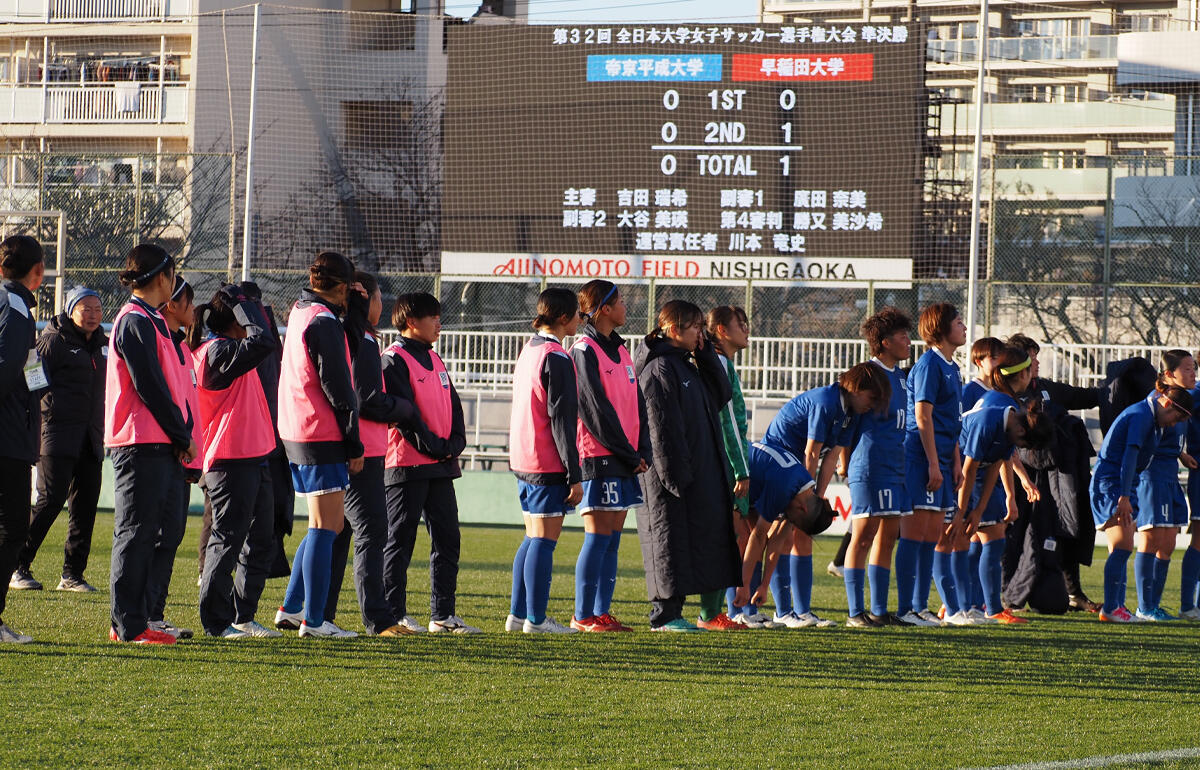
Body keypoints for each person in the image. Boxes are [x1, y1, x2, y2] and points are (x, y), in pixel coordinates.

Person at [104, 244, 196, 645]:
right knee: (135, 532)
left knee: (151, 533)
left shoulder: (152, 320)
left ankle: (138, 620)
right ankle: (127, 626)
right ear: (163, 277)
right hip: (139, 442)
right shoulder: (134, 320)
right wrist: (183, 435)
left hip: (157, 442)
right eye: (173, 273)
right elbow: (151, 388)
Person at [753, 363, 890, 628]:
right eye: (872, 398)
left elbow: (832, 458)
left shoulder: (853, 412)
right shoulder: (826, 402)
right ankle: (782, 611)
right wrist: (807, 496)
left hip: (797, 469)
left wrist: (818, 496)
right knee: (783, 535)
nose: (873, 406)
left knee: (801, 536)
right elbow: (811, 453)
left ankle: (802, 612)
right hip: (780, 463)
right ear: (857, 389)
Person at [274, 251, 365, 639]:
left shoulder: (301, 309)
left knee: (319, 523)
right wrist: (353, 439)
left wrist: (352, 312)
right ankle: (314, 620)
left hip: (296, 428)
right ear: (342, 287)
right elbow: (339, 385)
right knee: (328, 524)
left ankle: (293, 609)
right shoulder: (324, 321)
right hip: (319, 430)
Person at [634, 300, 740, 632]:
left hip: (698, 469)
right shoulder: (660, 369)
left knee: (706, 538)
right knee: (668, 540)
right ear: (674, 330)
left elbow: (721, 394)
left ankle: (707, 614)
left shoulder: (687, 363)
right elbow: (661, 428)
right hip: (671, 476)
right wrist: (674, 476)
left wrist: (706, 353)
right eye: (695, 327)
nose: (701, 333)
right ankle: (665, 616)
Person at [188, 283, 282, 638]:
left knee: (260, 542)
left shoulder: (231, 350)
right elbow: (263, 341)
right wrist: (245, 306)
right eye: (251, 312)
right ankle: (216, 621)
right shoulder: (217, 352)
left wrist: (249, 307)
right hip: (230, 460)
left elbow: (265, 344)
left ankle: (242, 615)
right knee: (227, 542)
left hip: (254, 456)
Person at [382, 291, 475, 634]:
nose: (439, 322)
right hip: (407, 465)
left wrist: (456, 443)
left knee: (448, 539)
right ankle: (395, 613)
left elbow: (454, 407)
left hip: (440, 465)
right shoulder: (393, 359)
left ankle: (443, 615)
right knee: (400, 541)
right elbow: (406, 417)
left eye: (439, 315)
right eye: (431, 317)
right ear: (410, 322)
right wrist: (437, 447)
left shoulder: (435, 359)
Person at [11, 286, 106, 594]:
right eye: (85, 308)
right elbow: (31, 373)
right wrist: (48, 409)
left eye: (97, 309)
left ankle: (72, 574)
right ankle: (17, 566)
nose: (92, 315)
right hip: (56, 435)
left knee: (85, 507)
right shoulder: (54, 340)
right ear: (70, 310)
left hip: (90, 438)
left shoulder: (103, 345)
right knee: (50, 501)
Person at [569, 281, 650, 632]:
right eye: (619, 302)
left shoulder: (622, 350)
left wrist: (642, 449)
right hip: (600, 456)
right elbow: (593, 410)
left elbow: (638, 403)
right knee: (598, 534)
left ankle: (601, 612)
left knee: (613, 537)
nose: (625, 307)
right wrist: (627, 451)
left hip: (626, 456)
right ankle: (583, 615)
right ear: (603, 309)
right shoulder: (584, 350)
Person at [1005, 333, 1102, 613]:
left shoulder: (1045, 388)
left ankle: (1073, 593)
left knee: (1067, 527)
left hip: (1059, 478)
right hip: (1023, 479)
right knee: (1019, 537)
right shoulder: (1007, 397)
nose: (1037, 362)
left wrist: (1111, 390)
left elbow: (1080, 396)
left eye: (1036, 356)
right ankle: (1008, 594)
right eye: (1031, 358)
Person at [506, 288, 582, 634]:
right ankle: (535, 620)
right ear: (564, 318)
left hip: (523, 457)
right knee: (544, 540)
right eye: (578, 314)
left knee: (532, 536)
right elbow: (562, 419)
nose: (582, 320)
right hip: (546, 459)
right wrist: (574, 472)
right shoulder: (557, 356)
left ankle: (519, 615)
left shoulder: (529, 349)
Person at [1091, 386, 1193, 622]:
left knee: (1124, 546)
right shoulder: (1141, 416)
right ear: (1167, 404)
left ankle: (1115, 607)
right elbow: (1129, 458)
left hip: (1124, 484)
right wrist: (1124, 496)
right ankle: (1110, 609)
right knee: (1123, 546)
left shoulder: (1153, 418)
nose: (1172, 425)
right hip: (1113, 484)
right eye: (1175, 418)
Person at [138, 274, 202, 641]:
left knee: (172, 534)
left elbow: (187, 405)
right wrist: (180, 439)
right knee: (154, 535)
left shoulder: (180, 346)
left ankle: (155, 613)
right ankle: (141, 615)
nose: (193, 309)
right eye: (189, 302)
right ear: (174, 305)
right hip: (161, 449)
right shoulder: (156, 336)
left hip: (181, 453)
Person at [956, 397, 1055, 622]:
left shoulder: (1011, 425)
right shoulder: (988, 422)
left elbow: (996, 465)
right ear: (1021, 429)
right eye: (1023, 444)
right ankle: (964, 607)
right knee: (965, 539)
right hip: (957, 472)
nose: (1020, 448)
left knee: (984, 539)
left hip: (978, 476)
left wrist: (988, 505)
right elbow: (968, 469)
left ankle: (978, 606)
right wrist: (963, 511)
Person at [844, 307, 913, 628]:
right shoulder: (866, 374)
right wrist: (844, 462)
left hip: (895, 465)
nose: (909, 341)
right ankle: (855, 612)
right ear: (884, 342)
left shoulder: (900, 376)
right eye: (902, 336)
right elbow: (848, 419)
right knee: (862, 536)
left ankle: (879, 610)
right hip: (869, 464)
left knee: (888, 537)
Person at [898, 303, 966, 627]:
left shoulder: (953, 368)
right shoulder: (928, 365)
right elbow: (922, 416)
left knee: (932, 535)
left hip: (941, 458)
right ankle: (904, 608)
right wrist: (932, 464)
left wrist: (955, 462)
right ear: (941, 329)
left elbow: (950, 420)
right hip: (921, 457)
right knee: (915, 533)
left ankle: (920, 606)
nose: (964, 326)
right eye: (958, 321)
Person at [707, 306, 770, 628]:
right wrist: (740, 468)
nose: (747, 329)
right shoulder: (717, 363)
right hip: (727, 463)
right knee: (734, 537)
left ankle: (739, 609)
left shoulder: (724, 362)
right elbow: (728, 421)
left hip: (728, 458)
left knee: (744, 535)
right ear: (720, 329)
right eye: (740, 324)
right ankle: (730, 610)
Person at [0, 235, 46, 644]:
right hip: (7, 439)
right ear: (38, 271)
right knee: (13, 529)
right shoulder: (14, 308)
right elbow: (9, 365)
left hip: (13, 434)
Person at [1131, 351, 1195, 621]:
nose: (1194, 374)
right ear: (1169, 374)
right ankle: (1144, 608)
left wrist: (1181, 454)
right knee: (1151, 539)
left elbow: (1168, 433)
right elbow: (1144, 438)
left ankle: (1153, 605)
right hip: (1153, 475)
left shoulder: (1181, 403)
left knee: (1168, 542)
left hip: (1170, 473)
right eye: (1189, 369)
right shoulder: (1157, 402)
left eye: (1194, 368)